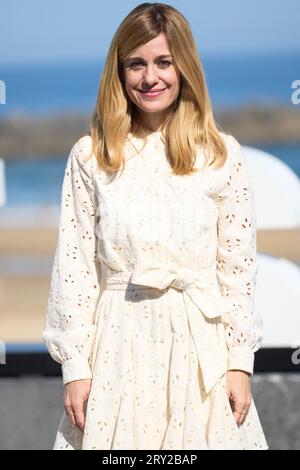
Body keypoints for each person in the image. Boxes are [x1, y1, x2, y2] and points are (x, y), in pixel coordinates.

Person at [42, 2, 268, 450]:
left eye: (164, 62)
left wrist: (240, 362)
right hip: (117, 350)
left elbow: (238, 269)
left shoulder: (222, 155)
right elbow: (75, 270)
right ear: (119, 72)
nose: (150, 78)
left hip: (202, 352)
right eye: (136, 64)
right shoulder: (91, 156)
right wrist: (75, 369)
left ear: (184, 66)